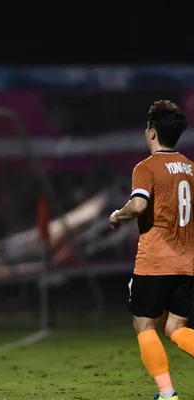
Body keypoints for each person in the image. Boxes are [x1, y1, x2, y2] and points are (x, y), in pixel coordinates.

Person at [109, 100, 194, 400]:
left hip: (155, 261)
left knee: (145, 325)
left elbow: (139, 205)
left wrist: (118, 215)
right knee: (176, 328)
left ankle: (167, 394)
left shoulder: (146, 168)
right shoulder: (190, 169)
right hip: (187, 264)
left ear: (153, 133)